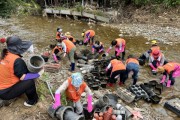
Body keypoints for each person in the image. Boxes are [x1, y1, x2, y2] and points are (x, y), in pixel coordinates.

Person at [0, 36, 43, 107]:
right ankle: (32, 101)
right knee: (29, 82)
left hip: (2, 86)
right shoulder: (17, 60)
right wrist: (38, 74)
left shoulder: (4, 54)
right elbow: (23, 77)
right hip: (5, 92)